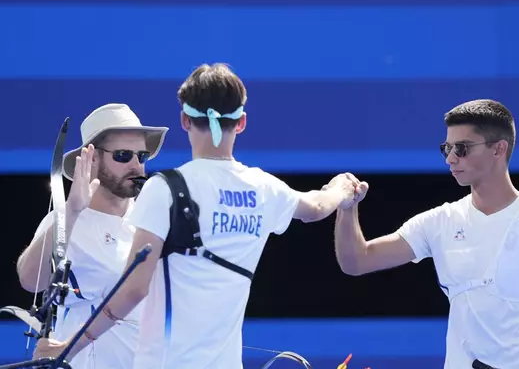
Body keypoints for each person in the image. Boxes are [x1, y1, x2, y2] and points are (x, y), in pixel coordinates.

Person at [33, 63, 358, 368]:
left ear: (185, 121)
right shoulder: (264, 188)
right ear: (242, 122)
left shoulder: (165, 190)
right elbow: (315, 207)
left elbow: (133, 290)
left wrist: (67, 348)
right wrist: (342, 190)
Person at [332, 99, 519, 369]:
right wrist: (347, 208)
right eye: (447, 148)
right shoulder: (439, 222)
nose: (450, 159)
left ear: (498, 149)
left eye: (462, 148)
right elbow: (357, 261)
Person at [17, 103, 168, 369]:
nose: (136, 165)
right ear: (92, 158)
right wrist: (72, 210)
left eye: (141, 157)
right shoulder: (67, 218)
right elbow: (30, 281)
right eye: (123, 155)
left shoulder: (152, 221)